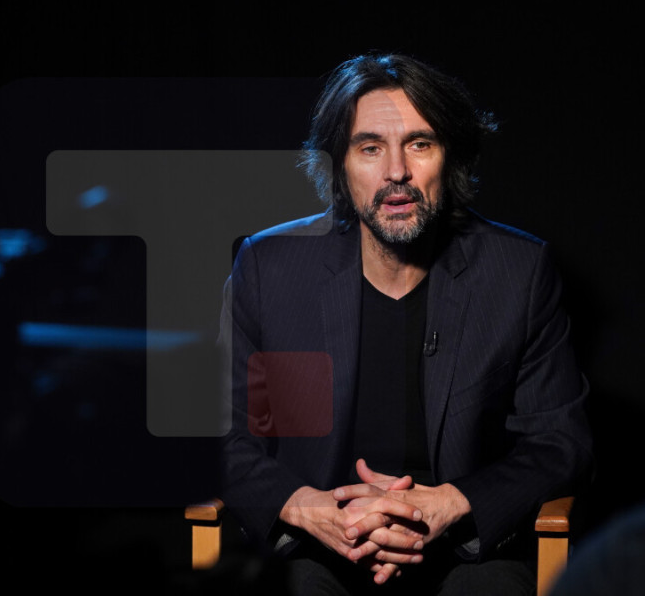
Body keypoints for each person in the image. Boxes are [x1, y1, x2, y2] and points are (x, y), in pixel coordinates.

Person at [218, 53, 593, 595]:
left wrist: (454, 503)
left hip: (465, 552)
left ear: (450, 158)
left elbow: (561, 442)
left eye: (419, 144)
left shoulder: (520, 271)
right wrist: (305, 507)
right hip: (316, 546)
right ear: (339, 166)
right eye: (370, 148)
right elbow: (220, 433)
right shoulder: (267, 266)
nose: (396, 172)